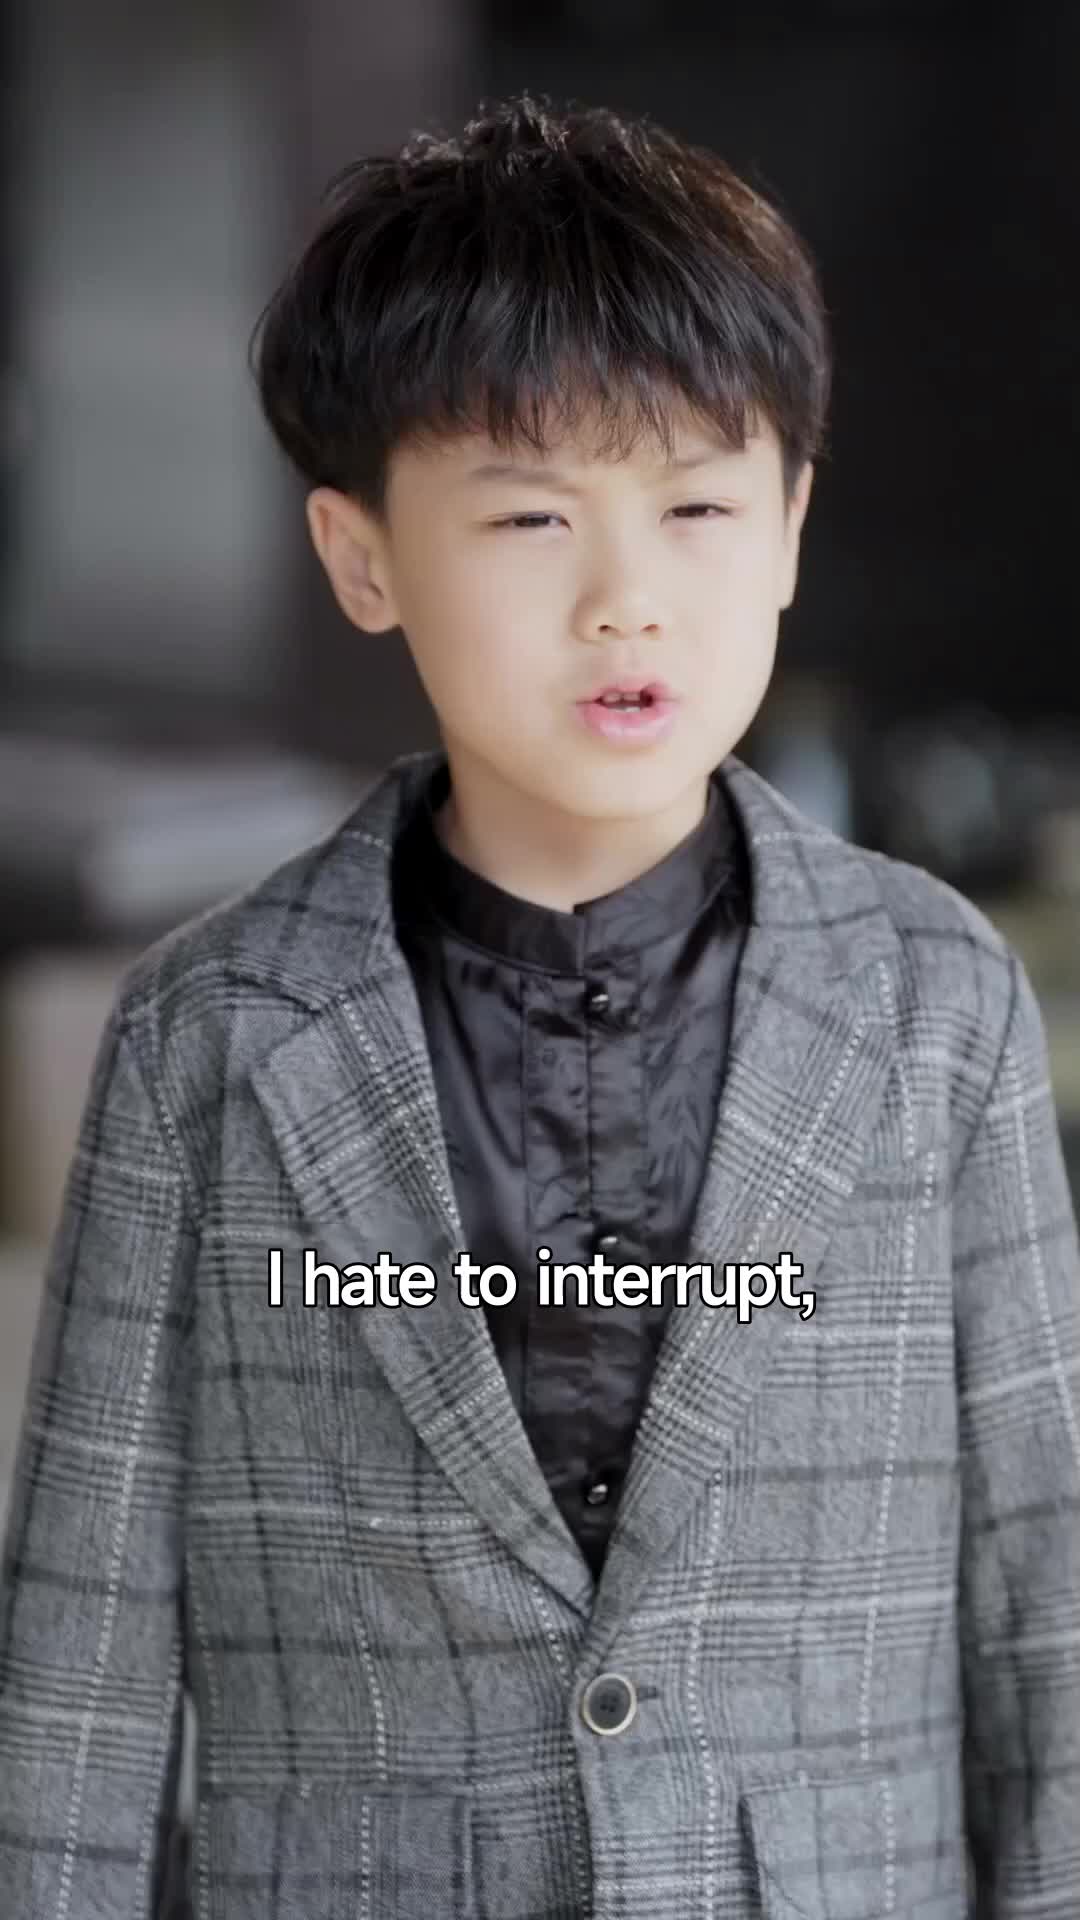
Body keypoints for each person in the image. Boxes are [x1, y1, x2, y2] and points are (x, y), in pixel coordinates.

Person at [1, 89, 1077, 1920]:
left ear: (792, 527)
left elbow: (1051, 1605)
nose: (624, 601)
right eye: (527, 516)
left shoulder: (934, 1004)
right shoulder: (211, 1037)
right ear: (362, 558)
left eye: (697, 506)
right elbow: (81, 1671)